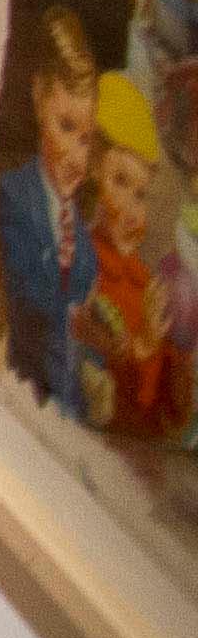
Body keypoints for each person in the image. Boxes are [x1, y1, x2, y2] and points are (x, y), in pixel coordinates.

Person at [72, 75, 193, 442]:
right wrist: (143, 347)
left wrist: (176, 367)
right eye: (120, 182)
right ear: (93, 176)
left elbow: (167, 411)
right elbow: (103, 404)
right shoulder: (82, 268)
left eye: (140, 195)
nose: (130, 209)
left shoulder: (145, 281)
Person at [0, 44, 102, 408]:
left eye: (85, 139)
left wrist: (99, 363)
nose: (76, 155)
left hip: (64, 402)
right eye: (66, 127)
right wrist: (75, 320)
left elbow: (84, 336)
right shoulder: (15, 197)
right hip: (18, 387)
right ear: (40, 104)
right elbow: (24, 293)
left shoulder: (84, 243)